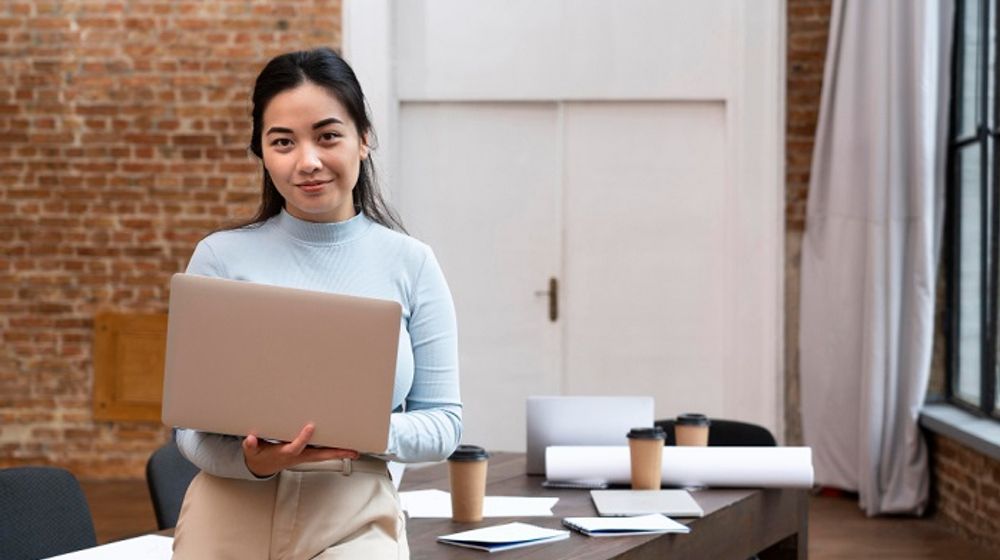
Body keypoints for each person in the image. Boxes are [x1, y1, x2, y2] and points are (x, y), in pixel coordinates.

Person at [171, 47, 462, 559]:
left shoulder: (411, 263)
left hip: (352, 506)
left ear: (363, 139)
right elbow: (190, 430)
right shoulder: (220, 257)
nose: (307, 161)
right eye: (283, 142)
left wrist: (357, 428)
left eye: (328, 136)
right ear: (261, 151)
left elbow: (444, 424)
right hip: (231, 509)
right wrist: (257, 462)